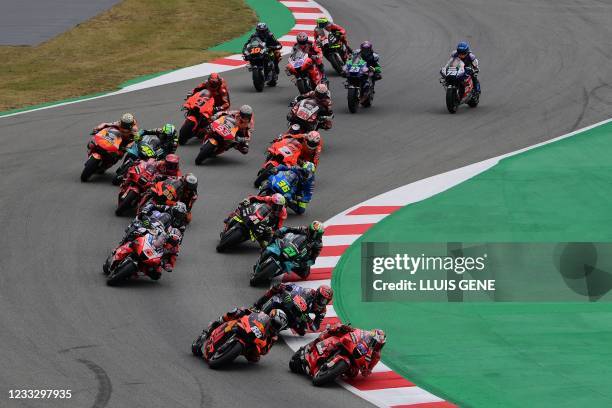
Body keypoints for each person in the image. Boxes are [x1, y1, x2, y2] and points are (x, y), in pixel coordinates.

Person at [192, 307, 287, 362]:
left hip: (253, 343)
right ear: (271, 317)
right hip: (246, 328)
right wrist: (246, 310)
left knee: (255, 359)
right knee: (236, 311)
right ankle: (208, 331)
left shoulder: (273, 337)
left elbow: (265, 351)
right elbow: (251, 312)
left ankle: (228, 352)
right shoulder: (262, 315)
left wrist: (261, 347)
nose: (275, 327)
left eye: (278, 326)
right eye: (275, 323)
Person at [253, 282, 332, 334]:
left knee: (302, 331)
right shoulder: (310, 293)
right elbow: (297, 289)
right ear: (317, 294)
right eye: (322, 299)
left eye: (325, 301)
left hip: (302, 315)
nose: (323, 302)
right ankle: (257, 305)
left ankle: (285, 325)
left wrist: (309, 320)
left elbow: (315, 327)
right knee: (277, 288)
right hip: (294, 305)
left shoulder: (322, 310)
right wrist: (287, 288)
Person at [311, 324, 386, 377]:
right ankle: (317, 343)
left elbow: (369, 370)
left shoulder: (376, 356)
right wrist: (347, 328)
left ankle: (335, 372)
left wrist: (366, 370)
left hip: (357, 360)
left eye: (380, 345)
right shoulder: (364, 334)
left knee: (353, 374)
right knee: (337, 329)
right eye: (377, 343)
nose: (377, 346)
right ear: (371, 338)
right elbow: (355, 331)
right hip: (351, 347)